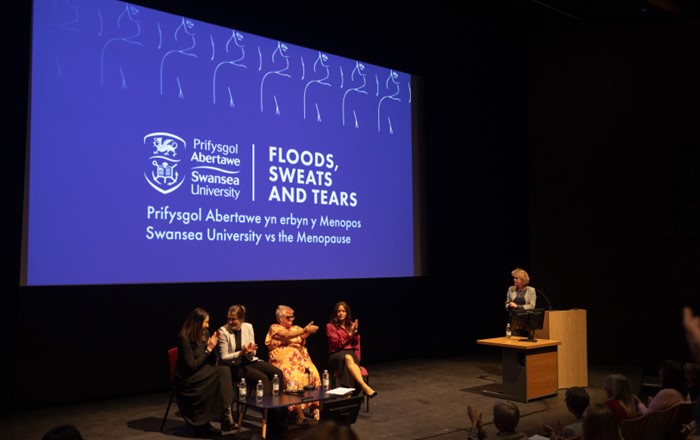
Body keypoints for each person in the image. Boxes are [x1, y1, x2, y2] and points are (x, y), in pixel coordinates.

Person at [174, 307, 235, 436]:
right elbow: (191, 366)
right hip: (187, 378)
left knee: (223, 370)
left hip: (202, 371)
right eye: (206, 322)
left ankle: (226, 413)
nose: (208, 325)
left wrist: (213, 346)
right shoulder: (185, 339)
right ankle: (220, 416)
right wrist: (208, 349)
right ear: (197, 323)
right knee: (221, 373)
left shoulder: (205, 333)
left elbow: (212, 361)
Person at [265, 304, 322, 426]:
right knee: (292, 377)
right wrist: (304, 330)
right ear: (280, 318)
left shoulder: (296, 327)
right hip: (283, 362)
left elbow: (302, 336)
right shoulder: (274, 327)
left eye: (292, 317)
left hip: (300, 360)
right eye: (288, 317)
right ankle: (299, 413)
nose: (291, 319)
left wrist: (309, 331)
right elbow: (286, 335)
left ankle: (315, 408)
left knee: (313, 372)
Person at [218, 304, 286, 395]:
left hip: (249, 361)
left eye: (233, 319)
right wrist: (241, 353)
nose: (230, 322)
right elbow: (223, 357)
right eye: (228, 319)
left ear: (242, 319)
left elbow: (253, 351)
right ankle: (265, 408)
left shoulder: (248, 327)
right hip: (234, 366)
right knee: (263, 378)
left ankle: (279, 408)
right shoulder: (223, 331)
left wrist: (250, 352)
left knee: (277, 373)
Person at [326, 301, 377, 398]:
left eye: (343, 311)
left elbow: (355, 342)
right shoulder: (330, 326)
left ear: (347, 313)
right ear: (335, 313)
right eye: (339, 311)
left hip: (350, 355)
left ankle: (348, 393)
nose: (341, 313)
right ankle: (364, 386)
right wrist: (349, 334)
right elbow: (336, 344)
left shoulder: (351, 325)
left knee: (349, 357)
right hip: (335, 356)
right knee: (347, 357)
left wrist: (355, 333)